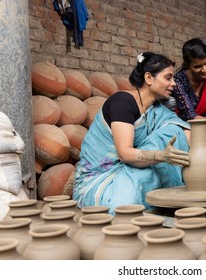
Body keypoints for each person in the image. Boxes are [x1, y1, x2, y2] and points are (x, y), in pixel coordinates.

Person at [73, 52, 191, 213]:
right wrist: (161, 156)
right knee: (130, 197)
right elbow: (125, 154)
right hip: (101, 180)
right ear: (149, 78)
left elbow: (184, 132)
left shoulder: (157, 109)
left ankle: (167, 203)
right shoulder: (122, 103)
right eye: (168, 78)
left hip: (130, 169)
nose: (174, 84)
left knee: (173, 131)